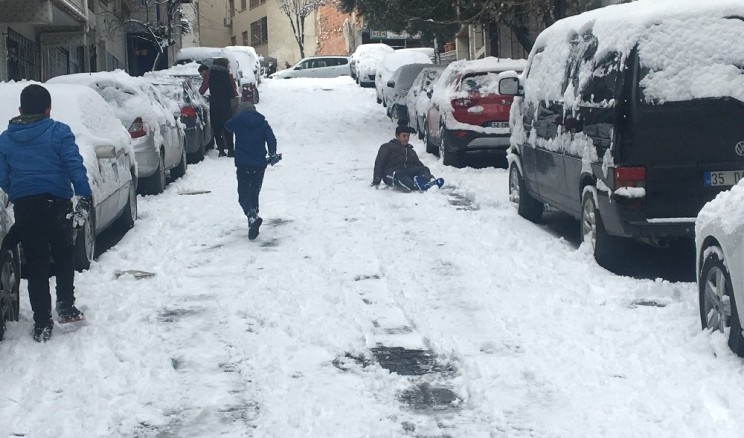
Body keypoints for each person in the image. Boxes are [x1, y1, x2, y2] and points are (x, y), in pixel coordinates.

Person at [0, 84, 92, 342]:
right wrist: (84, 195)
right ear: (48, 110)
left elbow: (3, 176)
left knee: (37, 262)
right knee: (64, 254)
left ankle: (42, 322)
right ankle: (65, 305)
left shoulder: (5, 139)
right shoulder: (59, 132)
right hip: (56, 204)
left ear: (20, 110)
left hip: (26, 208)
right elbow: (74, 166)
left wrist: (19, 192)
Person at [225, 102, 279, 240]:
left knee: (243, 193)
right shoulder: (262, 123)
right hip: (259, 164)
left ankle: (251, 215)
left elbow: (227, 126)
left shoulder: (238, 121)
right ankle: (253, 215)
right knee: (254, 190)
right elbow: (271, 139)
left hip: (243, 164)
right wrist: (273, 154)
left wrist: (237, 117)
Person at [372, 125, 444, 192]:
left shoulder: (411, 151)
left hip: (408, 172)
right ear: (397, 136)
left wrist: (428, 175)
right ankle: (414, 186)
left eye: (408, 136)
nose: (406, 138)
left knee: (425, 169)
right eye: (404, 136)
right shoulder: (387, 147)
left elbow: (418, 164)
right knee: (399, 175)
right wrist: (376, 180)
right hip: (392, 173)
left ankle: (428, 182)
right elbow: (379, 163)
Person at [199, 58, 238, 157]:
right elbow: (232, 91)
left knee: (216, 127)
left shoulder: (210, 74)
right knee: (228, 127)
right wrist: (232, 96)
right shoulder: (226, 75)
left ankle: (221, 150)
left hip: (214, 104)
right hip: (225, 105)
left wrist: (199, 95)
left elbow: (203, 88)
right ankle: (230, 150)